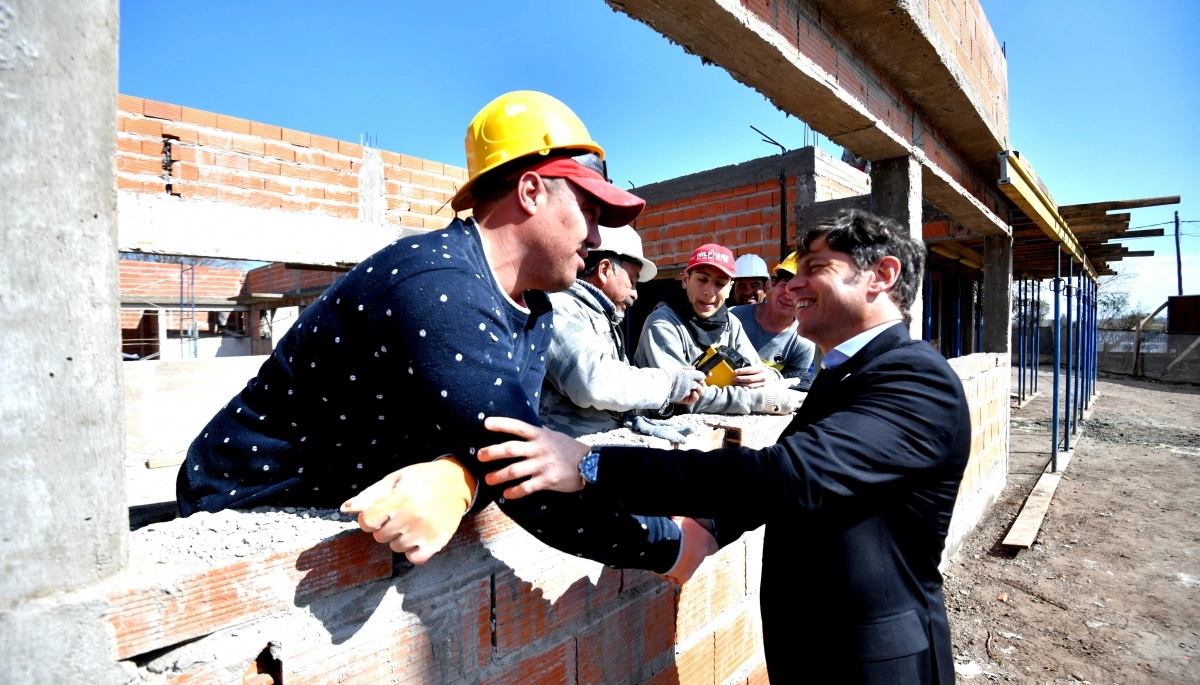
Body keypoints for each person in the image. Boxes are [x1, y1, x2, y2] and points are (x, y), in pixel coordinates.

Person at [176, 91, 716, 583]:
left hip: (344, 504)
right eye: (589, 211)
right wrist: (668, 545)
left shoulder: (535, 309)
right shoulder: (439, 285)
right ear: (531, 191)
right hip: (242, 505)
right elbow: (527, 480)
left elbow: (514, 448)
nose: (596, 237)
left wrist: (459, 475)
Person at [477, 209, 971, 685]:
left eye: (817, 269)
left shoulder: (914, 378)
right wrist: (711, 527)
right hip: (819, 649)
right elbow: (802, 483)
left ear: (881, 275)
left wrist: (591, 462)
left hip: (874, 663)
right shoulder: (846, 371)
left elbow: (786, 475)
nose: (792, 285)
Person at [540, 225, 706, 437]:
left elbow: (617, 392)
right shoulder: (560, 306)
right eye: (633, 282)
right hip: (562, 454)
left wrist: (666, 398)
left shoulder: (602, 318)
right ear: (605, 269)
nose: (635, 294)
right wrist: (668, 384)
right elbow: (594, 382)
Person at [635, 243, 805, 416]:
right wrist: (759, 399)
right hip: (660, 429)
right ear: (685, 279)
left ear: (730, 287)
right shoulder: (662, 324)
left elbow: (755, 371)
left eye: (720, 283)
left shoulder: (731, 323)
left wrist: (770, 376)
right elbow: (685, 396)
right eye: (702, 280)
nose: (710, 292)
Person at [730, 251, 817, 390]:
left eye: (800, 290)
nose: (789, 295)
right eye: (786, 284)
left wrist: (773, 378)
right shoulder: (732, 317)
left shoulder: (802, 343)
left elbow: (796, 389)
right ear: (774, 284)